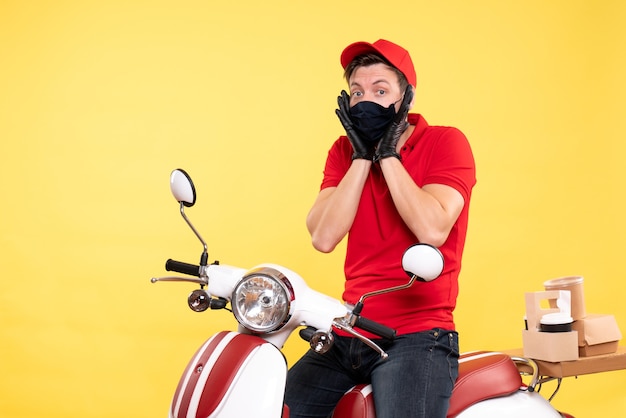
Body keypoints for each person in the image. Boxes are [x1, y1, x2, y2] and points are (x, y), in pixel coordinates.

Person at [285, 39, 476, 418]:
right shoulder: (343, 151)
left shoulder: (446, 142)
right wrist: (362, 155)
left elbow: (433, 229)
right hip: (349, 331)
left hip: (418, 335)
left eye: (381, 91)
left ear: (407, 98)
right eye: (357, 92)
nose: (365, 100)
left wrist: (387, 155)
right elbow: (323, 237)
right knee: (274, 405)